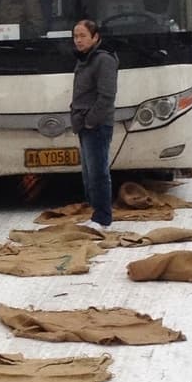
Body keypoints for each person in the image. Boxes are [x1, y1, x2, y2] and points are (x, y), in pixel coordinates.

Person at [69, 18, 119, 228]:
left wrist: (90, 121)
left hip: (96, 125)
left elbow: (106, 96)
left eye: (82, 36)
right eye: (75, 36)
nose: (78, 41)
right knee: (89, 173)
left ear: (95, 37)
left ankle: (103, 218)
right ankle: (96, 214)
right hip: (84, 124)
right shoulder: (84, 59)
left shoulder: (103, 60)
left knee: (98, 172)